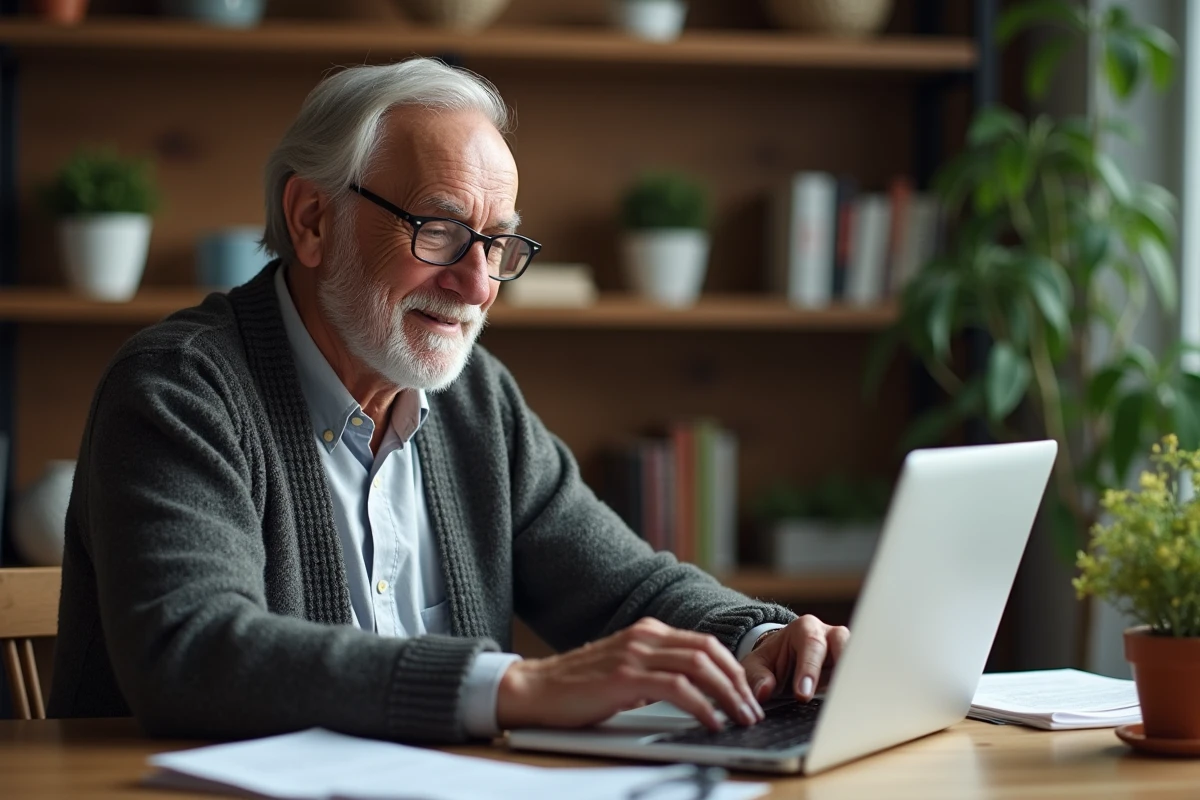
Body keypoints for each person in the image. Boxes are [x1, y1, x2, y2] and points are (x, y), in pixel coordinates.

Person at [49, 58, 849, 743]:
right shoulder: (178, 388)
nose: (476, 285)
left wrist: (762, 641)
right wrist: (515, 687)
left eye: (497, 243)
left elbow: (627, 590)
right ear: (313, 219)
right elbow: (193, 652)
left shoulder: (477, 401)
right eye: (439, 230)